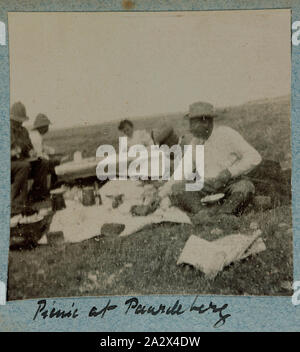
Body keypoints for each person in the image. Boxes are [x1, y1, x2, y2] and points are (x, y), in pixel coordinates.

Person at [158, 101, 262, 217]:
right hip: (206, 186)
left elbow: (254, 157)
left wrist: (230, 172)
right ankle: (202, 212)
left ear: (206, 122)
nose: (190, 129)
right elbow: (182, 171)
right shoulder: (195, 142)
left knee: (245, 187)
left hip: (230, 183)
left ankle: (225, 213)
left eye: (193, 124)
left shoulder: (227, 134)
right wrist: (160, 195)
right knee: (178, 188)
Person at [11, 102, 49, 214]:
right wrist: (12, 152)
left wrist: (31, 152)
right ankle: (17, 205)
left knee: (43, 163)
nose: (19, 123)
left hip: (22, 162)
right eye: (16, 121)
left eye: (21, 121)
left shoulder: (23, 131)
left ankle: (35, 195)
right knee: (24, 166)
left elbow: (28, 147)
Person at [29, 113, 59, 187]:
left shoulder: (35, 134)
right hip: (34, 164)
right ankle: (54, 185)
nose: (47, 128)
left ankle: (53, 185)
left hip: (34, 161)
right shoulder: (36, 137)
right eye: (46, 126)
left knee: (53, 161)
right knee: (55, 162)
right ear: (42, 127)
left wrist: (50, 150)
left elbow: (42, 148)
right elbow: (39, 154)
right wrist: (49, 157)